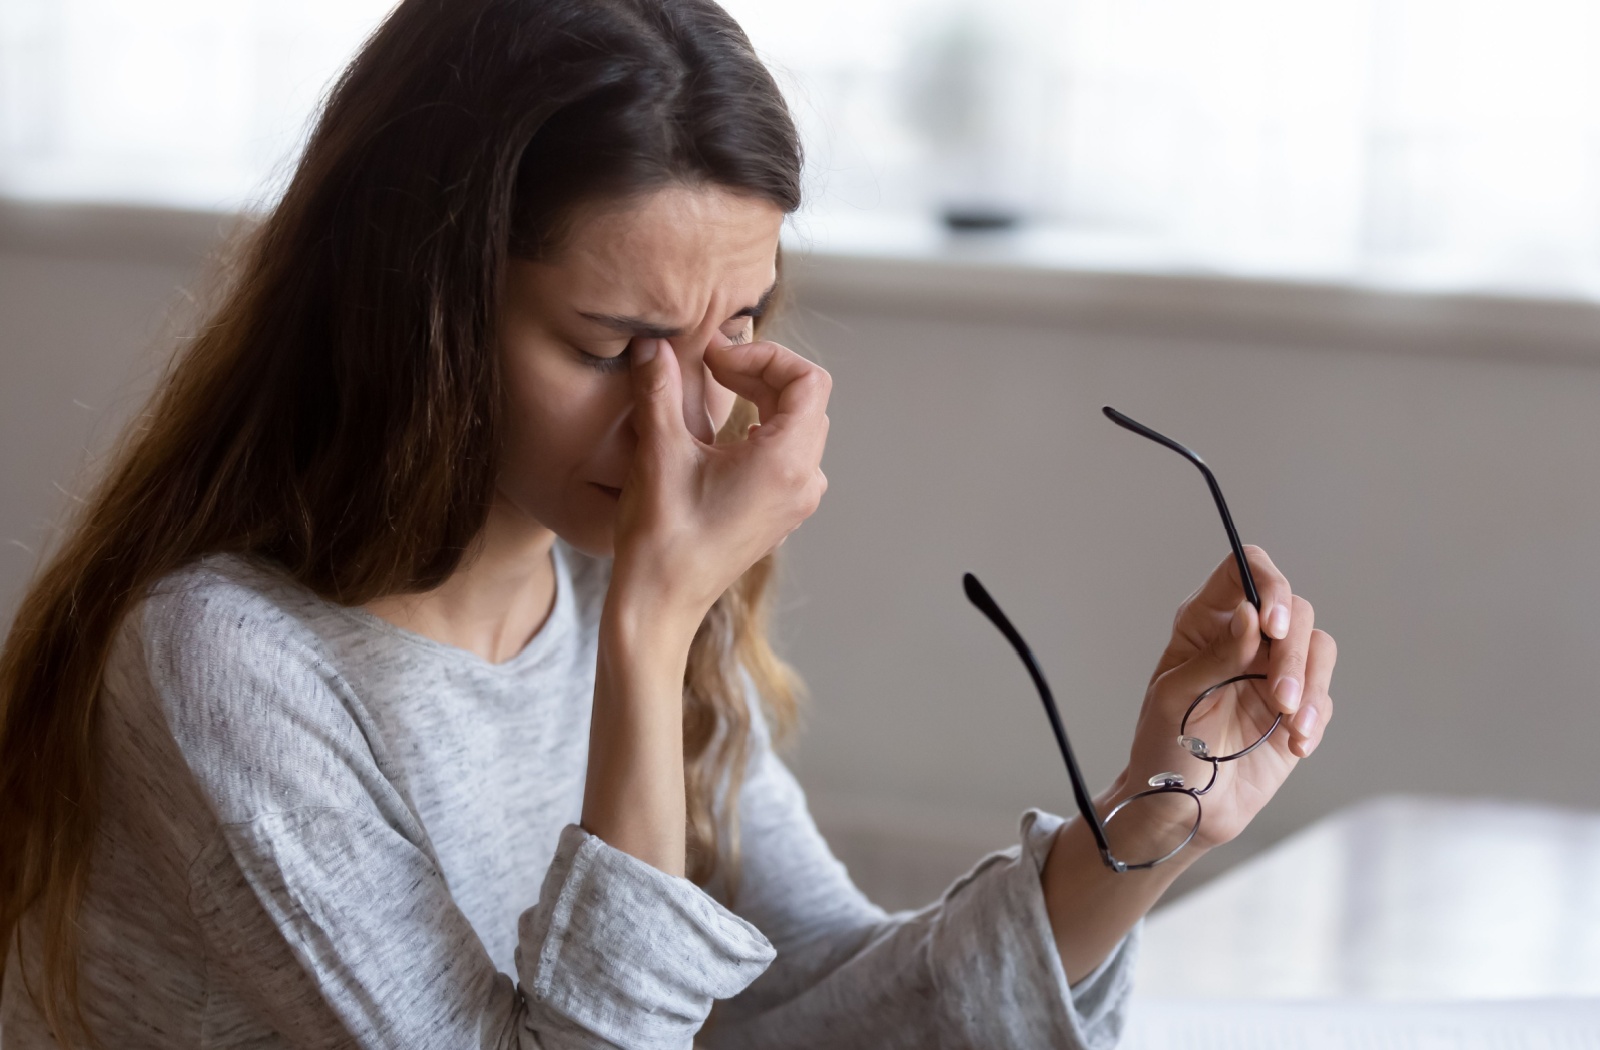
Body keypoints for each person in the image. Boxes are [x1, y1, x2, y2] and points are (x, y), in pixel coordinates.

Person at [0, 0, 1337, 1046]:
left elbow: (818, 1003)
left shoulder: (600, 585)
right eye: (616, 341)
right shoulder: (223, 666)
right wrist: (655, 617)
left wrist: (1156, 810)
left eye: (736, 327)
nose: (684, 419)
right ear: (424, 311)